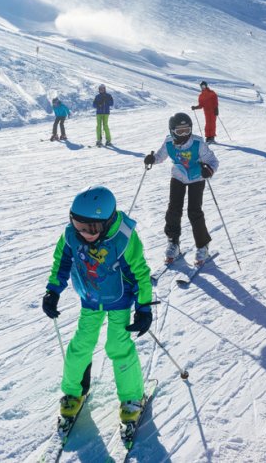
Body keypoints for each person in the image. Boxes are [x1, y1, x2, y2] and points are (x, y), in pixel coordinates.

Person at [41, 186, 153, 428]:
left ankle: (132, 398)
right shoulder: (71, 235)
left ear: (108, 221)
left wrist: (143, 307)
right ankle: (74, 391)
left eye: (91, 228)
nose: (84, 233)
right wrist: (53, 290)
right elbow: (61, 262)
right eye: (78, 224)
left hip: (119, 300)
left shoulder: (122, 239)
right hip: (90, 299)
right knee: (81, 344)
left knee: (118, 346)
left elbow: (141, 273)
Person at [144, 113, 219, 265]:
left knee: (194, 211)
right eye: (180, 131)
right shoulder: (169, 142)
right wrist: (153, 159)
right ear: (172, 132)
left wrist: (208, 170)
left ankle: (202, 245)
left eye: (187, 130)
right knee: (173, 210)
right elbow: (160, 156)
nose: (184, 135)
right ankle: (173, 242)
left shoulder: (198, 143)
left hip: (196, 178)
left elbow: (213, 160)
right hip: (178, 176)